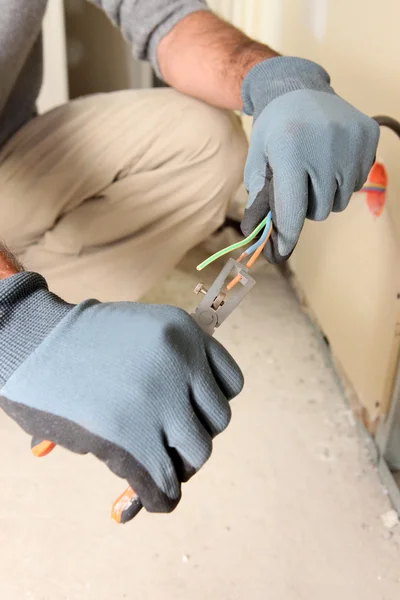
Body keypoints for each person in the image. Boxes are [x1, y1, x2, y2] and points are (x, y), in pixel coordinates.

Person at [0, 1, 379, 520]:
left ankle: (64, 347)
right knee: (20, 333)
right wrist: (14, 323)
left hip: (9, 156)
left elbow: (159, 13)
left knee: (206, 138)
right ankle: (32, 346)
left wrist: (279, 81)